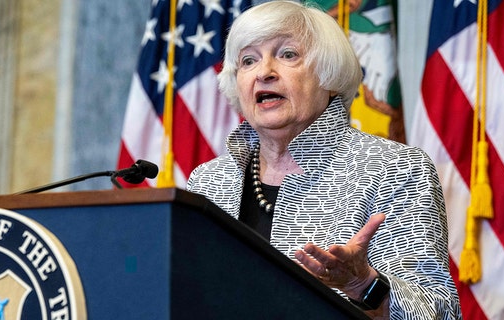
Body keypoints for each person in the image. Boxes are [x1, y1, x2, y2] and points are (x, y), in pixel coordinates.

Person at [185, 1, 461, 319]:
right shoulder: (209, 180)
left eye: (287, 54)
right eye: (248, 60)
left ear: (328, 74)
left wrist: (363, 284)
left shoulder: (394, 168)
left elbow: (439, 312)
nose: (264, 72)